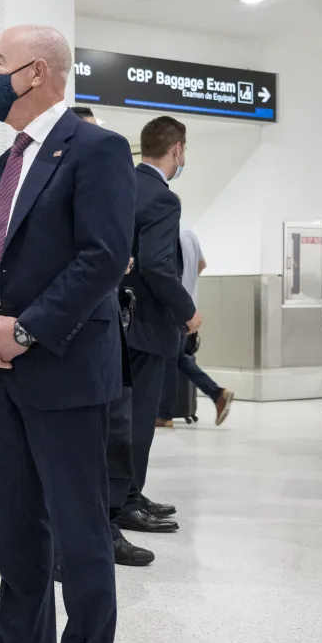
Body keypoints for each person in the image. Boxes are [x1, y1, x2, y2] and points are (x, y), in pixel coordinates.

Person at [0, 25, 133, 643]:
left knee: (79, 531)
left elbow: (102, 257)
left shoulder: (97, 149)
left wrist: (24, 330)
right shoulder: (4, 164)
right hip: (1, 373)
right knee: (16, 525)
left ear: (37, 72)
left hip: (62, 369)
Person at [67, 106, 154, 569]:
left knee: (114, 431)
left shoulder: (106, 185)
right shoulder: (50, 184)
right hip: (65, 329)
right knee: (83, 446)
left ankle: (110, 523)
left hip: (108, 321)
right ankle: (90, 535)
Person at [113, 115, 197, 535]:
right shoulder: (164, 198)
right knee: (139, 418)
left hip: (116, 320)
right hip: (147, 323)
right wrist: (188, 311)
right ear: (177, 149)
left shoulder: (120, 184)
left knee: (122, 415)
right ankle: (127, 502)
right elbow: (159, 266)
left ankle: (130, 493)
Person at [156, 228, 234, 426]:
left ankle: (165, 415)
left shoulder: (168, 234)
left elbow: (162, 271)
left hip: (175, 307)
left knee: (171, 359)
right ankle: (218, 394)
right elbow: (202, 265)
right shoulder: (190, 235)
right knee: (178, 358)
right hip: (189, 305)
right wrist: (188, 285)